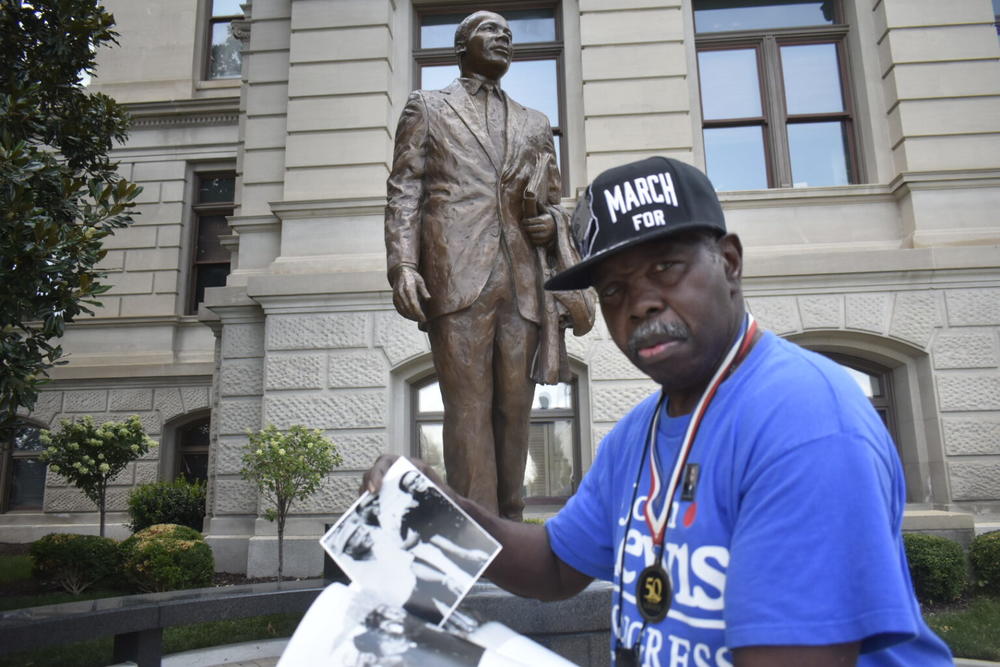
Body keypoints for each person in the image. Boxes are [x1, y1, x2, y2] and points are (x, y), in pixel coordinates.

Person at [366, 157, 954, 665]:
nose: (640, 303)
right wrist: (437, 511)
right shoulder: (637, 436)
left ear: (728, 262)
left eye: (665, 268)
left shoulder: (804, 421)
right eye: (614, 290)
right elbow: (553, 565)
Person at [384, 10, 592, 520]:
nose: (503, 38)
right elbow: (404, 189)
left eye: (508, 34)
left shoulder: (535, 122)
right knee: (469, 407)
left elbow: (551, 199)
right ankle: (476, 530)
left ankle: (512, 520)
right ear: (461, 45)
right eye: (490, 31)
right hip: (455, 277)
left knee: (516, 409)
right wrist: (403, 265)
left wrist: (548, 223)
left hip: (521, 280)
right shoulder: (428, 107)